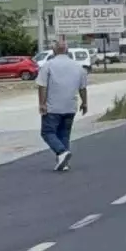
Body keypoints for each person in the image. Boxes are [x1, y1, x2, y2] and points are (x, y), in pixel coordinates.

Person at [37, 42, 89, 172]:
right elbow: (83, 88)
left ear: (54, 51)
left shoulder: (48, 65)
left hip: (53, 107)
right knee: (64, 134)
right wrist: (85, 102)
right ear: (67, 51)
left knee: (47, 132)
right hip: (70, 106)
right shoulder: (78, 67)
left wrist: (42, 103)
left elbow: (42, 86)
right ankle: (63, 162)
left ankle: (61, 152)